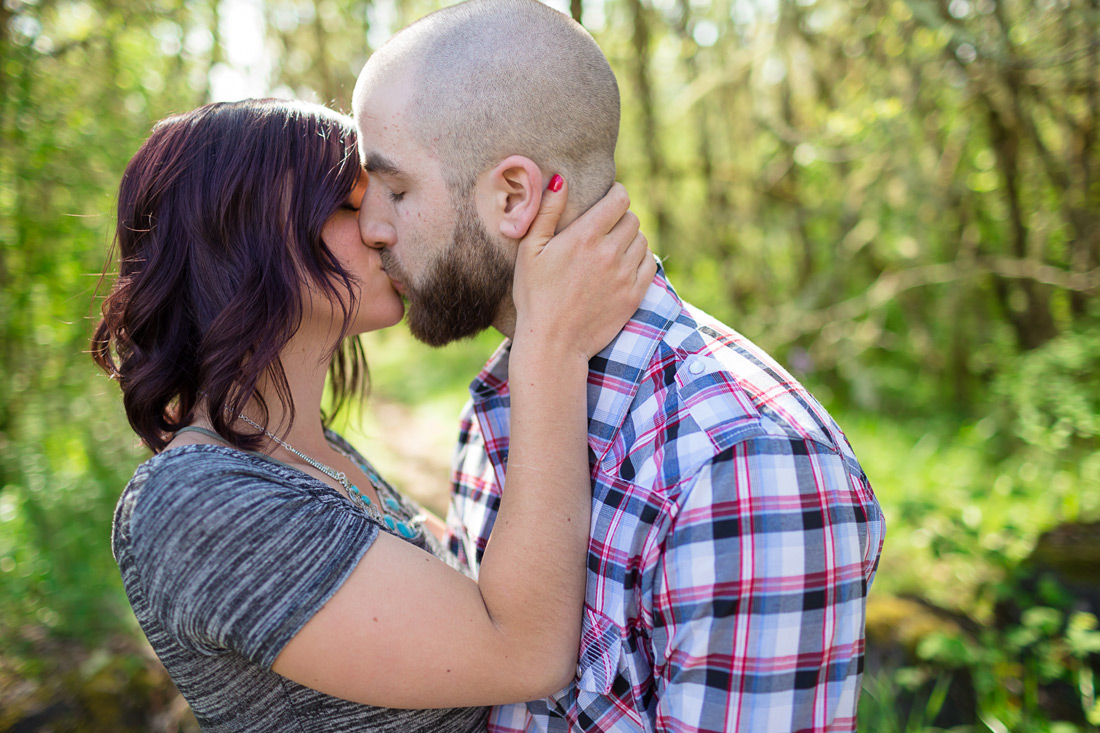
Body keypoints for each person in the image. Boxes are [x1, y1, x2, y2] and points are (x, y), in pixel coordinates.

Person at [351, 1, 887, 731]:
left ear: (513, 196)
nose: (373, 229)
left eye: (399, 190)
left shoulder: (742, 462)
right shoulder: (501, 407)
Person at [91, 97, 655, 731]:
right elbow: (525, 651)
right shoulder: (198, 501)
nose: (385, 227)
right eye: (353, 203)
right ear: (241, 235)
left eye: (393, 196)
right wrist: (552, 343)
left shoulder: (310, 452)